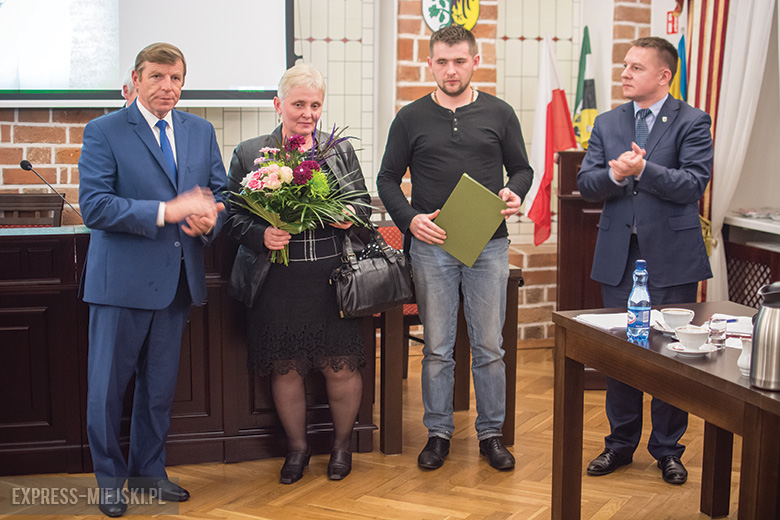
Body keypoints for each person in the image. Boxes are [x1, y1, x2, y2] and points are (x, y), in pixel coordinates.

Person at [78, 42, 227, 517]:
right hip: (120, 283)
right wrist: (169, 210)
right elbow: (95, 206)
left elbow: (219, 194)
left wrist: (211, 220)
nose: (168, 86)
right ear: (136, 81)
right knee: (107, 388)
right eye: (158, 76)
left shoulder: (201, 130)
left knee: (158, 388)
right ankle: (109, 482)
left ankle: (150, 473)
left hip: (176, 282)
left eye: (177, 78)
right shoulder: (103, 130)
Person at [376, 25, 533, 471]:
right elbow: (387, 179)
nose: (450, 70)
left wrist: (513, 192)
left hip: (489, 245)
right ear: (429, 63)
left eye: (459, 61)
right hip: (432, 248)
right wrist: (409, 221)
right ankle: (438, 433)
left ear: (475, 62)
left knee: (489, 346)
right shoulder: (409, 117)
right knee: (437, 347)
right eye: (442, 61)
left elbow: (522, 169)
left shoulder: (500, 113)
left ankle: (491, 435)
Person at [223, 63, 371, 484]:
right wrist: (260, 234)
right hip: (278, 281)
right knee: (286, 368)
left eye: (316, 105)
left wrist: (350, 217)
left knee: (339, 368)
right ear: (278, 105)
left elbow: (364, 209)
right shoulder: (252, 152)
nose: (308, 113)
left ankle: (341, 449)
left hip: (332, 279)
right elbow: (231, 217)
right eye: (299, 104)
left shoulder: (337, 150)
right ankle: (297, 450)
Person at [576, 36, 713, 486]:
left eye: (636, 67)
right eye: (625, 66)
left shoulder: (692, 121)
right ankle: (619, 445)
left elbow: (692, 184)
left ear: (663, 76)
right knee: (622, 354)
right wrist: (615, 173)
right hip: (620, 255)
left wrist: (643, 170)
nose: (625, 73)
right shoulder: (609, 121)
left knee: (673, 355)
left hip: (672, 257)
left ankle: (669, 451)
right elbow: (587, 183)